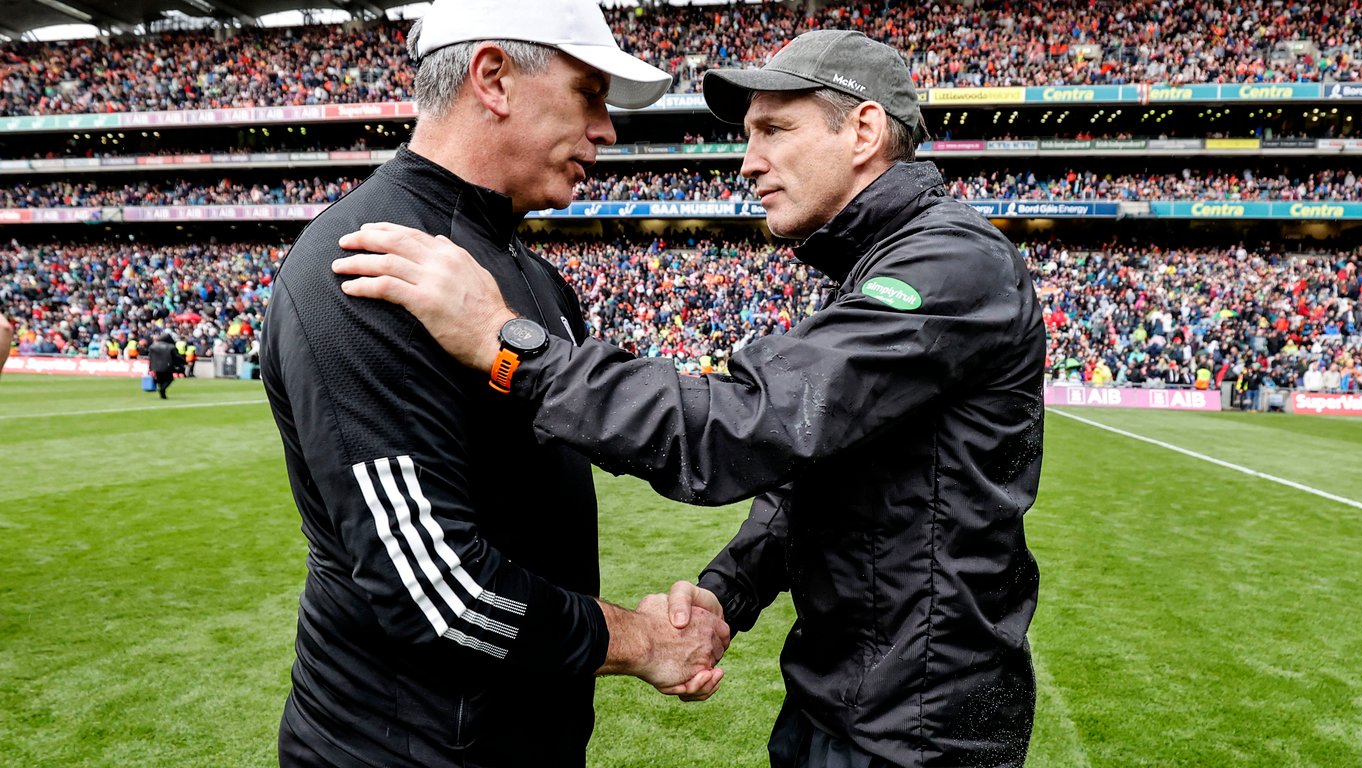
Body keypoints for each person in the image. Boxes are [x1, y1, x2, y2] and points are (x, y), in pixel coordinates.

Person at [334, 29, 1046, 768]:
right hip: (852, 705)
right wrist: (726, 595)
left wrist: (508, 346)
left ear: (863, 129)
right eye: (747, 136)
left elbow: (743, 427)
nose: (749, 162)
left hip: (919, 731)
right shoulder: (881, 266)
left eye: (774, 129)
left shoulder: (950, 265)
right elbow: (819, 474)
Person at [258, 1, 726, 767]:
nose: (607, 130)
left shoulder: (531, 276)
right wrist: (642, 642)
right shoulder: (365, 269)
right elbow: (436, 595)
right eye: (589, 94)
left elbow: (616, 425)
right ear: (494, 79)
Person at [147, 333, 185, 400]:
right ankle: (162, 390)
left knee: (160, 379)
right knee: (169, 379)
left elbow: (150, 357)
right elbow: (176, 357)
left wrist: (150, 368)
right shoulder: (171, 347)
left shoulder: (153, 346)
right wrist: (183, 362)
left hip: (155, 366)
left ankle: (162, 393)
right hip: (167, 366)